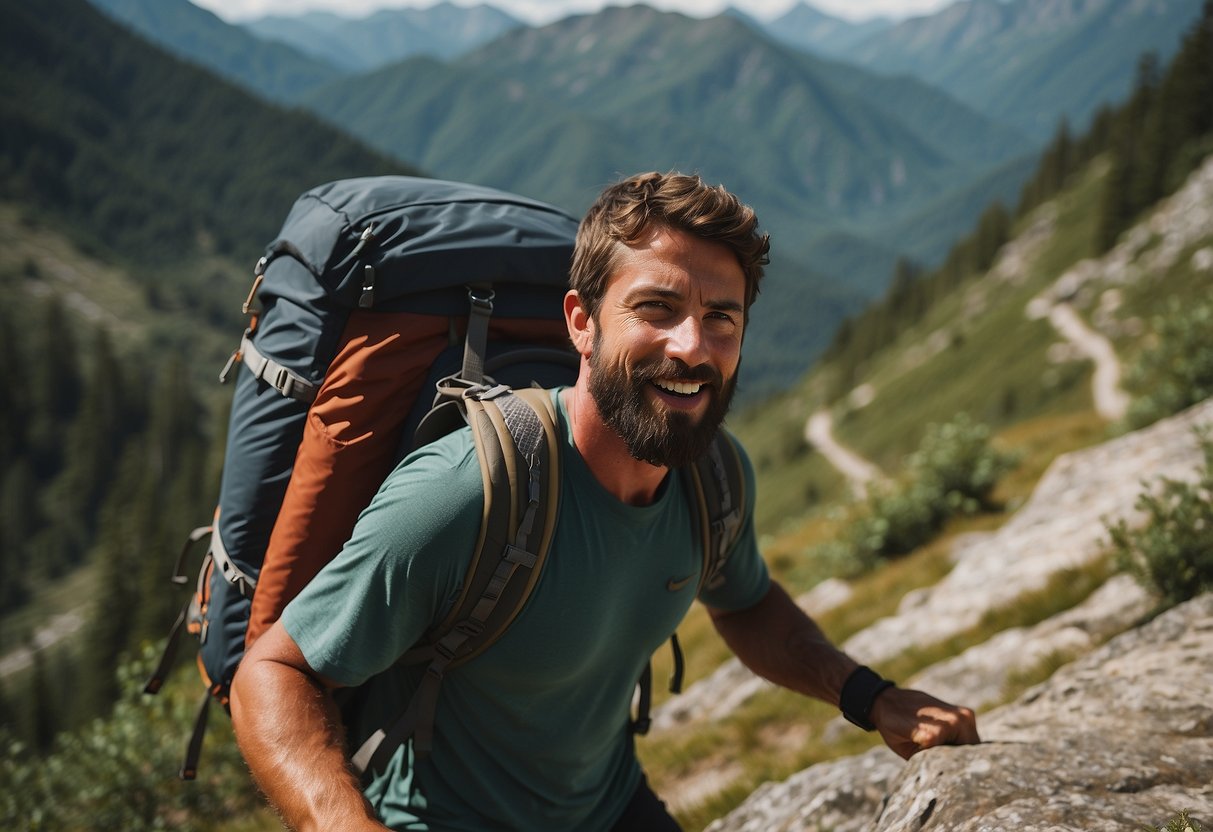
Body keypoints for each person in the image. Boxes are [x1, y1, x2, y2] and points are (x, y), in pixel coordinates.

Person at [230, 171, 980, 832]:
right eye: (656, 308)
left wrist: (868, 697)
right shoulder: (468, 492)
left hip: (608, 806)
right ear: (581, 323)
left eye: (721, 316)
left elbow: (746, 603)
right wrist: (340, 821)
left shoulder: (712, 475)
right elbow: (276, 673)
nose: (691, 346)